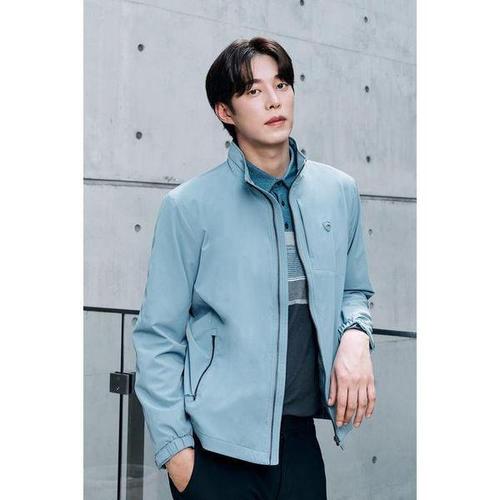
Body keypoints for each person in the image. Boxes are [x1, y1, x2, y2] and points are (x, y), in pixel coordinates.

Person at [132, 37, 376, 500]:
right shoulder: (189, 207)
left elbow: (354, 291)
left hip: (299, 442)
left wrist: (355, 337)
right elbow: (157, 336)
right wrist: (177, 454)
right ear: (225, 111)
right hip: (215, 450)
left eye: (281, 85)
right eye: (253, 91)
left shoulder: (338, 192)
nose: (273, 100)